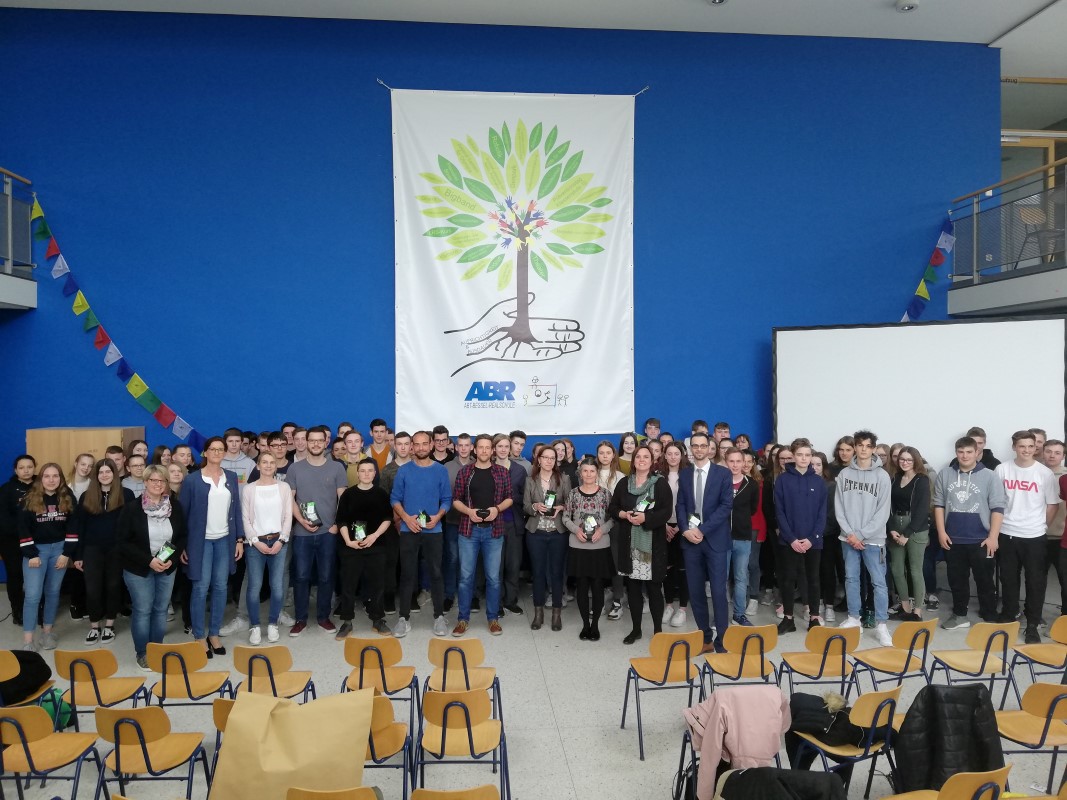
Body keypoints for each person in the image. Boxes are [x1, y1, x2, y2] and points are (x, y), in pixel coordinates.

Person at [118, 464, 187, 671]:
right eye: (153, 480)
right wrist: (149, 560)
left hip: (166, 566)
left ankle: (157, 649)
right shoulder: (132, 508)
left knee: (160, 610)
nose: (158, 484)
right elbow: (122, 542)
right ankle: (142, 653)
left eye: (162, 480)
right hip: (138, 568)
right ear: (145, 482)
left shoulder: (175, 506)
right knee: (143, 610)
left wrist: (171, 559)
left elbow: (182, 536)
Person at [179, 436, 244, 657]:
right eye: (213, 449)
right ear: (205, 453)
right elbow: (183, 515)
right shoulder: (192, 480)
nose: (217, 452)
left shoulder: (231, 477)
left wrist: (239, 539)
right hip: (200, 543)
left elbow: (236, 510)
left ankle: (214, 633)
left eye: (220, 449)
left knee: (221, 587)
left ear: (224, 453)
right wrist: (183, 545)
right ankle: (199, 636)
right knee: (200, 587)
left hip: (225, 540)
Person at [934, 436, 1006, 630]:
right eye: (961, 452)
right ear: (956, 453)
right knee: (957, 580)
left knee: (985, 580)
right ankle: (960, 615)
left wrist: (993, 537)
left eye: (969, 452)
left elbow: (998, 508)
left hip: (981, 539)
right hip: (953, 539)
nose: (964, 456)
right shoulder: (945, 474)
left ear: (977, 453)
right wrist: (941, 532)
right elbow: (939, 505)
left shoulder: (990, 476)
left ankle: (989, 615)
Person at [995, 430, 1059, 644]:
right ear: (1014, 447)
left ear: (1035, 448)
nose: (1027, 450)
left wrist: (1041, 526)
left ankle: (1032, 624)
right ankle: (1009, 616)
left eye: (1031, 446)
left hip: (1034, 536)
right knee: (1008, 579)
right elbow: (995, 502)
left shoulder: (1044, 473)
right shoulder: (1002, 469)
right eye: (1022, 446)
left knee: (1035, 582)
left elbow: (1052, 505)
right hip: (1007, 532)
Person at [286, 425, 347, 636]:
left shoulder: (337, 468)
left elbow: (343, 499)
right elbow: (290, 499)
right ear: (305, 442)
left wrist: (337, 524)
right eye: (311, 440)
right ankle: (300, 619)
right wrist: (301, 521)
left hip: (328, 533)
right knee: (301, 577)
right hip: (302, 533)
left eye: (319, 440)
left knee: (326, 577)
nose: (315, 444)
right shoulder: (295, 469)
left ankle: (323, 617)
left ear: (326, 442)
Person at [676, 433, 734, 653]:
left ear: (710, 449)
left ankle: (723, 640)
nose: (699, 449)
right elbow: (681, 505)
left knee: (718, 592)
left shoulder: (723, 474)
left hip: (715, 540)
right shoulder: (684, 473)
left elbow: (726, 506)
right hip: (691, 541)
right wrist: (685, 530)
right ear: (691, 449)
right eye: (695, 446)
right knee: (696, 592)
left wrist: (702, 529)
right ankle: (706, 639)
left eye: (703, 446)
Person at [391, 430, 452, 638]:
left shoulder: (440, 470)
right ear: (411, 447)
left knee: (436, 572)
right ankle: (403, 618)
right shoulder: (404, 471)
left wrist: (437, 516)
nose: (421, 448)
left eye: (424, 443)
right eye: (416, 444)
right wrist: (406, 519)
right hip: (409, 529)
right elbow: (395, 499)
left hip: (434, 530)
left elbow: (447, 500)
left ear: (431, 445)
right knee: (407, 574)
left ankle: (439, 616)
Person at [610, 445, 674, 645]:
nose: (642, 460)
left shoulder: (660, 484)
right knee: (633, 589)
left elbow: (666, 512)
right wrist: (624, 514)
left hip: (652, 547)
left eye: (646, 457)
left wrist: (646, 518)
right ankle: (636, 629)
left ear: (652, 461)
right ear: (634, 460)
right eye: (638, 457)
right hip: (629, 545)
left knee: (654, 589)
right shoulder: (624, 483)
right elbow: (613, 507)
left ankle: (657, 631)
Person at [450, 434, 513, 637]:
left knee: (493, 578)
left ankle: (493, 619)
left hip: (494, 531)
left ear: (492, 451)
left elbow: (509, 498)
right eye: (481, 447)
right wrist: (469, 512)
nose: (484, 451)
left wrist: (497, 509)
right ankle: (463, 619)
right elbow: (456, 500)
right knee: (465, 578)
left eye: (488, 447)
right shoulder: (465, 472)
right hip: (468, 531)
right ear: (475, 450)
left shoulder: (502, 472)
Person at [834, 430, 892, 647]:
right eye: (860, 445)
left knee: (878, 582)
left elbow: (883, 512)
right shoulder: (844, 474)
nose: (864, 449)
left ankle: (882, 625)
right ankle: (854, 619)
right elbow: (839, 507)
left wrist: (861, 534)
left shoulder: (882, 476)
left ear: (873, 448)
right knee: (851, 578)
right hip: (848, 538)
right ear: (855, 447)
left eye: (868, 446)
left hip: (873, 539)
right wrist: (850, 534)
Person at [73, 458, 135, 644]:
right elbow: (80, 527)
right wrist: (78, 555)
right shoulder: (87, 496)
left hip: (117, 550)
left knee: (113, 587)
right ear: (96, 475)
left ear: (114, 474)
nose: (105, 475)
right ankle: (94, 626)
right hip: (92, 549)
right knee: (92, 589)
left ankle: (109, 625)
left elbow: (131, 525)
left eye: (108, 471)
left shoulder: (127, 494)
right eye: (101, 472)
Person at [18, 463, 76, 651]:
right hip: (36, 552)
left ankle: (47, 633)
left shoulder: (68, 498)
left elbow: (73, 527)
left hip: (59, 551)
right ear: (40, 479)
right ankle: (28, 641)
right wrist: (31, 554)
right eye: (47, 476)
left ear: (61, 479)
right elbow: (23, 528)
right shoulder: (29, 499)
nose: (51, 480)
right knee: (33, 596)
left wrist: (66, 554)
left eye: (55, 476)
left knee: (52, 593)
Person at [774, 439, 827, 633]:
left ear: (811, 456)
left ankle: (814, 617)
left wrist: (812, 538)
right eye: (799, 455)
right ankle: (788, 619)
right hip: (790, 540)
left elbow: (822, 514)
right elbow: (780, 512)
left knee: (813, 579)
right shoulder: (782, 480)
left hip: (813, 541)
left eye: (807, 455)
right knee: (788, 579)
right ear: (793, 456)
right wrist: (791, 539)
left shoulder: (818, 482)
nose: (804, 458)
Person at [335, 459, 392, 639]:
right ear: (357, 473)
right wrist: (348, 541)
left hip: (376, 546)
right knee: (348, 585)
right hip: (352, 547)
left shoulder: (381, 494)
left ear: (375, 474)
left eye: (370, 470)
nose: (366, 474)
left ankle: (378, 619)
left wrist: (374, 536)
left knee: (378, 585)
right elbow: (341, 520)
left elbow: (387, 518)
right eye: (363, 471)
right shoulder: (348, 494)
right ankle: (347, 622)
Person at [240, 451, 293, 644]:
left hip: (279, 541)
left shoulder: (284, 487)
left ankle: (272, 623)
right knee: (254, 586)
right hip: (255, 543)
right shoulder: (249, 489)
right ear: (258, 465)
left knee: (277, 587)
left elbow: (288, 516)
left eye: (272, 462)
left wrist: (282, 540)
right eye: (264, 462)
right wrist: (255, 541)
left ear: (276, 466)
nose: (268, 465)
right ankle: (254, 626)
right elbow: (245, 518)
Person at [564, 457, 616, 640]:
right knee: (582, 586)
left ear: (597, 473)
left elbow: (613, 518)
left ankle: (595, 626)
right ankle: (585, 625)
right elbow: (565, 517)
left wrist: (602, 530)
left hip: (599, 546)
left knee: (597, 586)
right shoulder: (573, 494)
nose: (588, 474)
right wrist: (576, 529)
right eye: (585, 471)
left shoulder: (605, 494)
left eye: (592, 471)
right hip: (578, 546)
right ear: (580, 473)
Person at [523, 446, 571, 631]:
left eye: (553, 458)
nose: (549, 461)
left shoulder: (564, 479)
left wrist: (561, 507)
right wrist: (535, 506)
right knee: (538, 573)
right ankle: (538, 614)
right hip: (536, 533)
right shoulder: (530, 480)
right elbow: (525, 506)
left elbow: (570, 503)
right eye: (546, 457)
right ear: (539, 459)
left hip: (558, 532)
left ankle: (556, 614)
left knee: (557, 573)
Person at [887, 446, 931, 622]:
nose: (904, 462)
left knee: (915, 570)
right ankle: (905, 607)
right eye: (902, 459)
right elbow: (888, 505)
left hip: (915, 528)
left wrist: (907, 534)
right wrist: (891, 528)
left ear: (916, 461)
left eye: (909, 460)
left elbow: (922, 510)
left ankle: (917, 611)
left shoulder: (922, 480)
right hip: (895, 525)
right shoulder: (895, 478)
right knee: (897, 569)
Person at [725, 446, 760, 627]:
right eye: (731, 461)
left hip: (743, 537)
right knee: (721, 578)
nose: (735, 465)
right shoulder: (719, 483)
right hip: (721, 538)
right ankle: (720, 615)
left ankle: (739, 615)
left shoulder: (751, 484)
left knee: (741, 577)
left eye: (739, 461)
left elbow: (752, 509)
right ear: (726, 462)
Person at [0, 454, 36, 625]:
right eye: (21, 468)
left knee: (36, 575)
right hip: (11, 540)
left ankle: (38, 608)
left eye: (29, 467)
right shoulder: (6, 489)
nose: (26, 470)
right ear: (16, 470)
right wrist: (22, 533)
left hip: (38, 539)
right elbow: (3, 519)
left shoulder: (42, 484)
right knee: (15, 575)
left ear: (34, 467)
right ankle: (17, 610)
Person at [495, 433, 528, 616]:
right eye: (499, 446)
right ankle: (497, 603)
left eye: (506, 446)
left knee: (513, 564)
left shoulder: (519, 470)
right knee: (496, 566)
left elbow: (526, 498)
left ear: (510, 449)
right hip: (494, 525)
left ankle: (511, 600)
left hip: (514, 523)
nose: (503, 449)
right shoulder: (488, 468)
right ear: (494, 448)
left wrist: (509, 498)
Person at [660, 441, 690, 628]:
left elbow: (694, 504)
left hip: (684, 528)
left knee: (683, 569)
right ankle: (669, 605)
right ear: (664, 455)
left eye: (676, 453)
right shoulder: (658, 476)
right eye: (669, 453)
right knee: (667, 568)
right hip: (663, 527)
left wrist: (680, 526)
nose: (672, 457)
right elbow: (653, 503)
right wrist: (663, 524)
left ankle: (683, 609)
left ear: (682, 455)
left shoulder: (689, 475)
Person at [443, 433, 474, 611]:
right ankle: (449, 594)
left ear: (471, 447)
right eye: (460, 445)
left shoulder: (478, 465)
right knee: (453, 558)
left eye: (466, 445)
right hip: (453, 520)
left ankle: (472, 595)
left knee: (471, 560)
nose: (463, 448)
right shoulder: (447, 467)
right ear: (455, 447)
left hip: (473, 522)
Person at [811, 451, 841, 623]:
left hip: (828, 535)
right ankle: (818, 601)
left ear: (824, 467)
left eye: (818, 464)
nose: (815, 468)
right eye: (812, 464)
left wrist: (820, 531)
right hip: (809, 536)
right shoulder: (804, 483)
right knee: (813, 571)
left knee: (827, 570)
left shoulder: (831, 486)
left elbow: (832, 513)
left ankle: (829, 605)